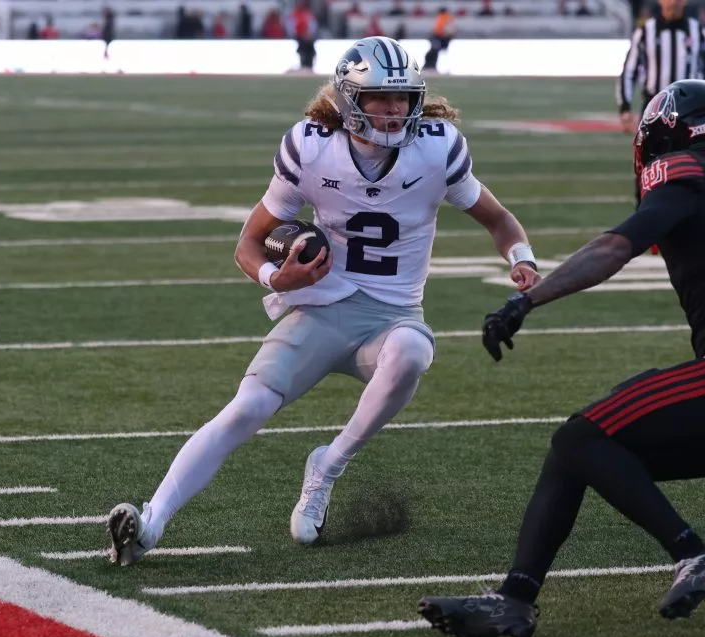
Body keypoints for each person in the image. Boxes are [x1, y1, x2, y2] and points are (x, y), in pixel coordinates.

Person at [108, 36, 541, 564]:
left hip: (392, 317)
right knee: (247, 408)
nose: (394, 109)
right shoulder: (311, 147)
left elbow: (499, 218)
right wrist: (276, 278)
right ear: (349, 100)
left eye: (403, 97)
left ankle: (327, 467)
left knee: (411, 352)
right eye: (381, 98)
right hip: (321, 309)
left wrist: (520, 257)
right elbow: (248, 242)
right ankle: (149, 525)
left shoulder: (437, 147)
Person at [418, 80, 705, 637]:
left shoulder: (683, 171)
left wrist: (528, 300)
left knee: (581, 436)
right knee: (578, 448)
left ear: (665, 136)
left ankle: (694, 553)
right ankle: (514, 601)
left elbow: (614, 248)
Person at [617, 0, 705, 135]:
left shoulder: (698, 31)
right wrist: (625, 108)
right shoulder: (645, 31)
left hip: (690, 107)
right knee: (652, 148)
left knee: (691, 148)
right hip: (654, 107)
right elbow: (629, 71)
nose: (672, 3)